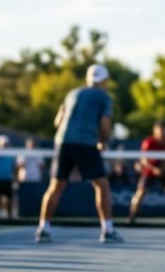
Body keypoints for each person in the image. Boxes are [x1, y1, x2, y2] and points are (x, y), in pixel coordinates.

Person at [36, 64, 121, 244]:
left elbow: (58, 121)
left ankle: (44, 228)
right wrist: (103, 142)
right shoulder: (103, 97)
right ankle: (107, 230)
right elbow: (105, 123)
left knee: (56, 185)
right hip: (86, 144)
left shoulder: (72, 93)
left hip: (63, 142)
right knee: (102, 185)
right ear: (104, 80)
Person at [127, 121, 165, 227]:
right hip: (149, 172)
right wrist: (154, 169)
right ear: (155, 131)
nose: (162, 132)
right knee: (140, 193)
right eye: (159, 130)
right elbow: (143, 160)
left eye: (164, 129)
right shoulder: (148, 142)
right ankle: (132, 217)